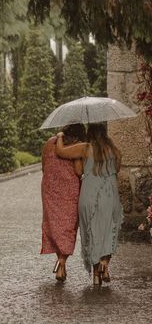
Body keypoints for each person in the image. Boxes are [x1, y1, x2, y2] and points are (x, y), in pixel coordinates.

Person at [56, 122, 123, 286]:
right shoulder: (115, 151)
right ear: (105, 133)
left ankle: (95, 275)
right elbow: (117, 168)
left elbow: (60, 152)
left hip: (89, 194)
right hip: (110, 194)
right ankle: (105, 264)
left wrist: (59, 137)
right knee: (109, 230)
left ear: (90, 134)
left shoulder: (85, 148)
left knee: (91, 232)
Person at [41, 123, 85, 282]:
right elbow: (79, 171)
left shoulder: (49, 142)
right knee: (68, 226)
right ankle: (61, 263)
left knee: (54, 225)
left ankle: (61, 263)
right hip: (69, 191)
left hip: (50, 189)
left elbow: (44, 165)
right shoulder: (77, 147)